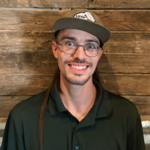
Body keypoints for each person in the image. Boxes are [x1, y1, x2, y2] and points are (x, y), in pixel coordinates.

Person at [1, 9, 145, 150]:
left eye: (90, 46)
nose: (80, 56)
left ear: (99, 54)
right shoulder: (22, 118)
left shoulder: (126, 115)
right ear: (55, 49)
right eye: (70, 43)